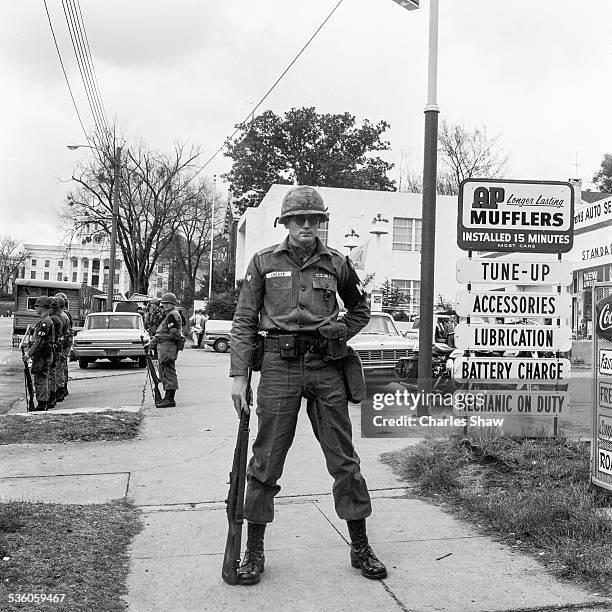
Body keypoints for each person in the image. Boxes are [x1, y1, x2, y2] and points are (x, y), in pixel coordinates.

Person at [230, 185, 386, 586]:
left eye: (314, 219)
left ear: (321, 223)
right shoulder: (264, 262)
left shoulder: (337, 263)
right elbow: (245, 322)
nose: (307, 225)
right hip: (279, 368)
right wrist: (238, 376)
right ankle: (254, 551)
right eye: (299, 219)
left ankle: (360, 546)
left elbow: (360, 309)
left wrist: (341, 332)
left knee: (344, 460)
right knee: (264, 462)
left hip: (326, 367)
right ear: (286, 222)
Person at [149, 292, 184, 407]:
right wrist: (152, 342)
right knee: (165, 370)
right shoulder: (170, 314)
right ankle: (168, 398)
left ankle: (169, 399)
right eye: (163, 303)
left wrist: (178, 341)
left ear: (171, 304)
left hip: (167, 348)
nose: (163, 306)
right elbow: (164, 332)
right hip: (165, 347)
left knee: (168, 371)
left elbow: (174, 332)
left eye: (165, 303)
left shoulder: (171, 315)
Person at [23, 296, 55, 411]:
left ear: (43, 307)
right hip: (43, 355)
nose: (35, 308)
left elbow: (39, 341)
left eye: (37, 306)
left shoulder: (45, 322)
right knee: (41, 378)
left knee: (40, 379)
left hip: (42, 356)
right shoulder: (44, 321)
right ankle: (43, 402)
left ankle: (42, 404)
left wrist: (29, 354)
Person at [55, 292, 73, 399]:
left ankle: (61, 388)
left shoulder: (62, 316)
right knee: (63, 367)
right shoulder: (67, 314)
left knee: (59, 368)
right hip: (65, 344)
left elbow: (65, 332)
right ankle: (63, 387)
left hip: (62, 345)